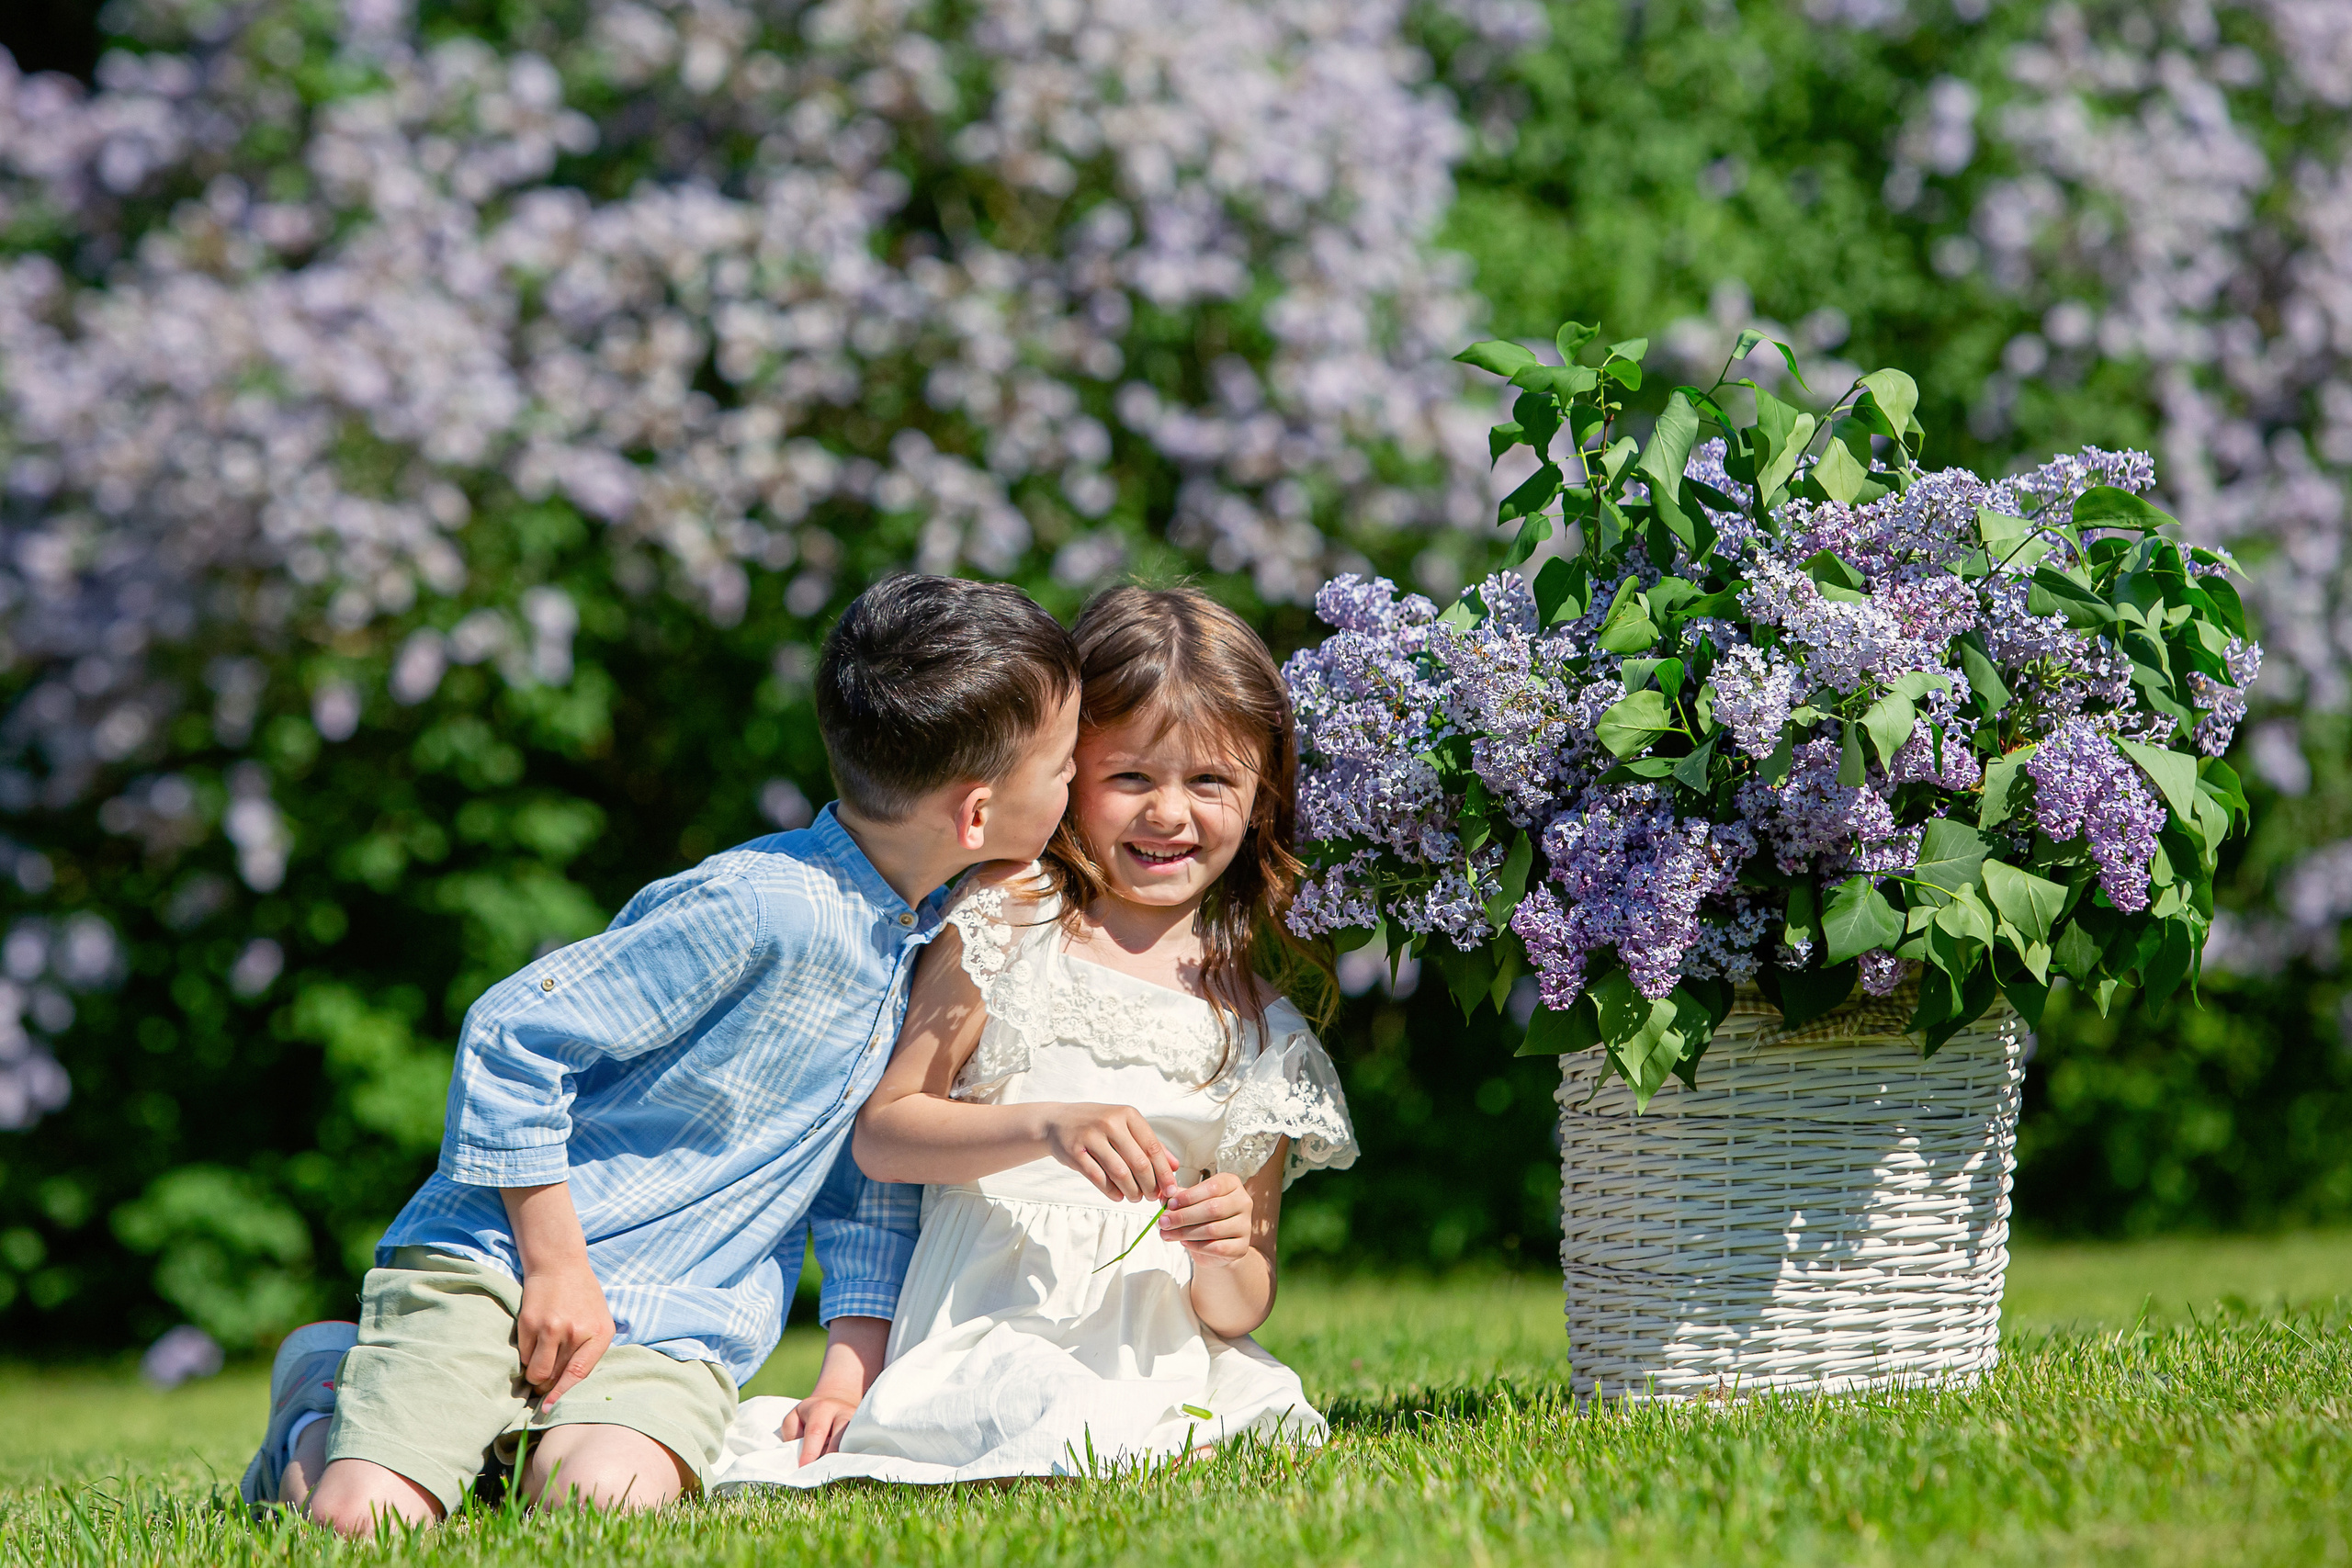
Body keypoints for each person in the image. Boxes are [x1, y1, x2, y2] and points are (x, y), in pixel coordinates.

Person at [238, 576, 1082, 1533]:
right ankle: (320, 1392)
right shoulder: (758, 905)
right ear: (976, 816)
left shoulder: (929, 937)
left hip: (680, 1322)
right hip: (505, 1264)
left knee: (600, 1502)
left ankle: (493, 1443)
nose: (1076, 783)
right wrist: (556, 1270)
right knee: (364, 1523)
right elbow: (514, 1034)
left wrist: (851, 1365)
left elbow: (860, 1171)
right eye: (1062, 765)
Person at [711, 585, 1358, 1490]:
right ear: (1066, 771)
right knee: (1042, 1402)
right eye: (1130, 777)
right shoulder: (1010, 919)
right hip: (996, 1320)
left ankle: (1155, 1430)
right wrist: (1046, 1127)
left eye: (1208, 782)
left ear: (1259, 797)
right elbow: (885, 1131)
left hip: (1152, 1341)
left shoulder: (1258, 1025)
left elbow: (1243, 1299)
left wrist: (1221, 1245)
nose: (1169, 813)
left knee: (1250, 1417)